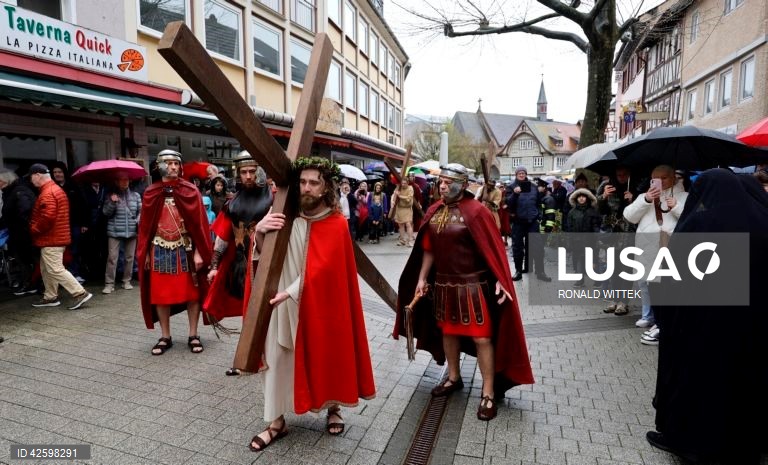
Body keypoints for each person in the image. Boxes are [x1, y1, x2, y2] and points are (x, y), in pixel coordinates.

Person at [248, 156, 376, 451]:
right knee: (277, 359)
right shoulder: (282, 212)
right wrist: (260, 233)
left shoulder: (336, 223)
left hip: (319, 304)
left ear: (325, 187)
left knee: (327, 354)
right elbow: (261, 256)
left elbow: (327, 269)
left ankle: (334, 408)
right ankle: (276, 422)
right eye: (302, 182)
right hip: (280, 299)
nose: (306, 188)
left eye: (313, 183)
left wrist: (293, 290)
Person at [395, 163, 534, 422]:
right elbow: (429, 249)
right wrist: (422, 278)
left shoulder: (477, 212)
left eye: (448, 181)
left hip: (473, 288)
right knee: (448, 333)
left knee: (482, 339)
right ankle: (454, 378)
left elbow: (493, 252)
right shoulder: (435, 211)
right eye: (441, 181)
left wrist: (502, 279)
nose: (443, 185)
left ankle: (489, 392)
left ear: (462, 183)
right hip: (445, 286)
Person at [646, 169, 768, 464]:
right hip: (751, 331)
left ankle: (691, 442)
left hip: (701, 330)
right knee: (742, 385)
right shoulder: (762, 223)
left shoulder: (700, 224)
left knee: (700, 385)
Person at [136, 150, 212, 355]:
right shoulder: (151, 192)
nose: (174, 167)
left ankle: (193, 334)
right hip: (159, 248)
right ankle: (165, 336)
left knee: (192, 294)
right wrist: (147, 254)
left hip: (185, 248)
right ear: (159, 166)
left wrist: (198, 252)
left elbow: (200, 226)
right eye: (169, 163)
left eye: (177, 163)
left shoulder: (190, 190)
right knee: (160, 295)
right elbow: (145, 228)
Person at [204, 151, 272, 330]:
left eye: (252, 171)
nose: (248, 176)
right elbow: (223, 238)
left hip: (271, 265)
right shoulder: (232, 203)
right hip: (243, 267)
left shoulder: (276, 197)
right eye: (244, 172)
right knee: (251, 318)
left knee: (272, 316)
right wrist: (214, 267)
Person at [623, 164, 687, 344]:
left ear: (673, 178)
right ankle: (655, 321)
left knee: (667, 289)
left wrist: (676, 207)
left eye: (663, 178)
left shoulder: (684, 197)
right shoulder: (647, 196)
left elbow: (691, 221)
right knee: (651, 287)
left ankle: (663, 324)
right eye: (655, 178)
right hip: (647, 248)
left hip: (671, 249)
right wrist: (645, 200)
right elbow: (629, 216)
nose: (659, 182)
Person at [27, 164, 93, 310]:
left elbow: (48, 217)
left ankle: (80, 293)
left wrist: (34, 228)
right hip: (55, 237)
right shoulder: (55, 189)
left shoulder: (48, 192)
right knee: (47, 269)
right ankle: (50, 296)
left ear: (37, 175)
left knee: (55, 269)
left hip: (51, 238)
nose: (31, 181)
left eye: (31, 177)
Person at [507, 166, 549, 282]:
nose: (521, 175)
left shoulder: (533, 187)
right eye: (519, 173)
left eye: (523, 173)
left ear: (526, 174)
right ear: (516, 175)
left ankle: (540, 272)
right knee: (517, 248)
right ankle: (518, 271)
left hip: (532, 223)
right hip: (518, 223)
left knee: (538, 247)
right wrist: (515, 194)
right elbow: (508, 204)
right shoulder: (511, 187)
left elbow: (539, 203)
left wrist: (539, 215)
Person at [102, 175, 141, 294]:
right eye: (122, 180)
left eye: (127, 180)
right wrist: (112, 203)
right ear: (117, 182)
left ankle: (126, 281)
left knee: (129, 258)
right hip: (114, 231)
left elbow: (141, 211)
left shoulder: (136, 196)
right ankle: (109, 284)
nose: (125, 182)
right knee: (112, 258)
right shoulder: (111, 195)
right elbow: (105, 213)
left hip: (132, 231)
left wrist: (138, 220)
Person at [0, 169, 37, 294]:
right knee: (23, 259)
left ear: (6, 180)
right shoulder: (10, 191)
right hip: (18, 232)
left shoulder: (19, 191)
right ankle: (29, 282)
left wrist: (21, 226)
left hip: (23, 233)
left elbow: (25, 210)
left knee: (26, 259)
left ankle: (31, 284)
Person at [563, 188, 600, 287]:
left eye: (584, 197)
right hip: (577, 241)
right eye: (579, 197)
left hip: (590, 240)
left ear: (587, 198)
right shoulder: (572, 212)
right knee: (578, 260)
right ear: (576, 199)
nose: (581, 199)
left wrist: (597, 238)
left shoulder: (592, 211)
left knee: (593, 260)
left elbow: (596, 225)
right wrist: (569, 242)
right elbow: (569, 227)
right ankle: (580, 280)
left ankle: (598, 280)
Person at [391, 177, 415, 246]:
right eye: (402, 183)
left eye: (405, 183)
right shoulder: (398, 188)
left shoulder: (410, 188)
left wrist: (400, 196)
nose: (403, 184)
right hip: (399, 208)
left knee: (408, 224)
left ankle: (410, 240)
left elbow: (409, 198)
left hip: (407, 208)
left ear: (407, 183)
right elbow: (393, 195)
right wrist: (392, 201)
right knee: (400, 225)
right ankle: (402, 240)